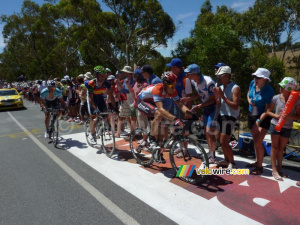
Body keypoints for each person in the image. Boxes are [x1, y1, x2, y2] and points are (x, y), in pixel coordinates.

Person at [137, 72, 193, 163]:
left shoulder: (172, 90)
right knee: (159, 114)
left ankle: (158, 154)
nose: (173, 88)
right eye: (171, 86)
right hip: (142, 101)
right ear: (165, 84)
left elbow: (180, 105)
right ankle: (151, 138)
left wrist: (190, 113)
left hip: (153, 102)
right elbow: (161, 109)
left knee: (164, 130)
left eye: (175, 85)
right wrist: (176, 119)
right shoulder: (158, 89)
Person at [261, 77, 300, 181]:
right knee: (274, 147)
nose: (280, 88)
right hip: (275, 125)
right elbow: (268, 111)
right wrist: (276, 116)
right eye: (281, 86)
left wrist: (289, 117)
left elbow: (298, 116)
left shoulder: (296, 100)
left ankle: (280, 169)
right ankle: (274, 170)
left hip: (287, 127)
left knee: (281, 149)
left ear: (289, 89)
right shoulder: (276, 98)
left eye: (283, 86)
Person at [180, 64, 217, 164]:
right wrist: (189, 99)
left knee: (210, 131)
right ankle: (210, 152)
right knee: (206, 132)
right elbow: (199, 93)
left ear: (195, 74)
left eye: (189, 74)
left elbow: (213, 100)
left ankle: (213, 155)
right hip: (205, 108)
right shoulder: (194, 81)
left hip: (213, 108)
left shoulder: (209, 82)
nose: (187, 75)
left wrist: (199, 106)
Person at [246, 68, 274, 175]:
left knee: (258, 141)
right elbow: (249, 92)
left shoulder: (269, 91)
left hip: (263, 116)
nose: (255, 79)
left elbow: (267, 110)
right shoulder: (253, 82)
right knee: (255, 140)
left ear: (265, 79)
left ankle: (259, 166)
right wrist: (249, 100)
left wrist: (258, 121)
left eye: (258, 77)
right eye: (254, 76)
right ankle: (257, 161)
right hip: (252, 113)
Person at [213, 66, 241, 169]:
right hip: (221, 114)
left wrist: (223, 96)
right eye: (218, 76)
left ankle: (232, 163)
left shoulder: (235, 88)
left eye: (221, 76)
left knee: (224, 140)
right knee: (221, 140)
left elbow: (235, 105)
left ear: (227, 76)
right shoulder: (219, 86)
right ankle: (226, 159)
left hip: (230, 116)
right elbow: (219, 103)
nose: (219, 78)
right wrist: (217, 96)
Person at [85, 66, 116, 145]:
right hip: (92, 98)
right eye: (101, 75)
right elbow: (91, 99)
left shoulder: (107, 83)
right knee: (94, 117)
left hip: (100, 97)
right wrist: (94, 109)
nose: (103, 77)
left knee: (105, 114)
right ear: (96, 75)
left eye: (104, 75)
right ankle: (92, 134)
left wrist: (115, 107)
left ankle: (100, 126)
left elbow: (111, 95)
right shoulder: (91, 83)